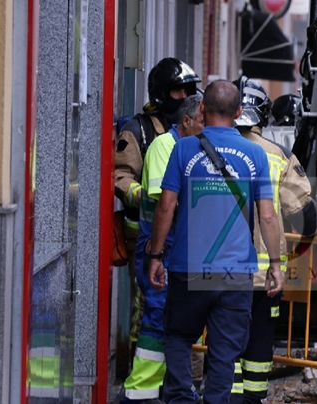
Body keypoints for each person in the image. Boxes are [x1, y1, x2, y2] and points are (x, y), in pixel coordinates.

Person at [147, 80, 285, 404]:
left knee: (179, 336)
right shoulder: (255, 155)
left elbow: (166, 206)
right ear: (238, 113)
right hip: (235, 274)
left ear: (202, 110)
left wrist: (155, 255)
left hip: (187, 268)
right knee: (225, 353)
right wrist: (275, 265)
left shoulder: (183, 149)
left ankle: (181, 397)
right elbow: (267, 216)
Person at [230, 76, 317, 404]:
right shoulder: (278, 156)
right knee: (258, 342)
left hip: (214, 270)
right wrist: (298, 248)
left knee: (224, 340)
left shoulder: (202, 147)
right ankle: (252, 399)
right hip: (262, 272)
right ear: (263, 115)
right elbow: (305, 212)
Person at [120, 95, 204, 403]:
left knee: (170, 317)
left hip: (172, 247)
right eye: (202, 122)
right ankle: (140, 389)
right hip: (160, 246)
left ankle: (163, 388)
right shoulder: (163, 147)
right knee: (156, 315)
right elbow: (162, 204)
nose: (206, 128)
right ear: (186, 122)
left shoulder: (186, 148)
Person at [115, 58, 201, 355]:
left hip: (181, 238)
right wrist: (143, 196)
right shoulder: (138, 130)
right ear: (161, 94)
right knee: (147, 306)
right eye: (179, 91)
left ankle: (171, 374)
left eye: (190, 90)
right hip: (145, 234)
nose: (186, 97)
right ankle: (141, 369)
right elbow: (120, 175)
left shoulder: (192, 129)